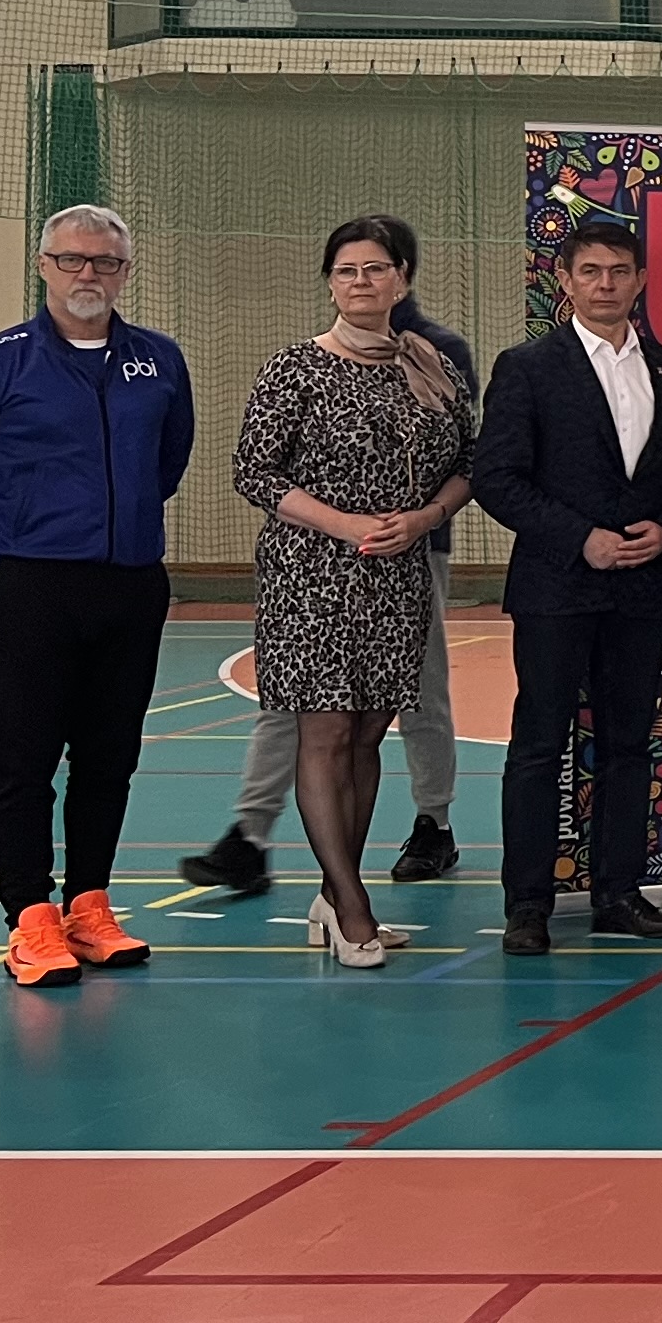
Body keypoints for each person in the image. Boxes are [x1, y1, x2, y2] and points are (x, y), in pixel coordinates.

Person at [0, 205, 195, 989]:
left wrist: (119, 524)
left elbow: (168, 461)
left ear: (124, 273)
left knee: (110, 753)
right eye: (72, 259)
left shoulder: (158, 360)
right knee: (25, 755)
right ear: (44, 265)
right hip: (33, 584)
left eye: (105, 262)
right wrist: (17, 532)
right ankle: (30, 916)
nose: (88, 274)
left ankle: (89, 904)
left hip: (132, 582)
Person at [177, 216, 473, 898]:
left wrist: (425, 518)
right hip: (311, 575)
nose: (361, 281)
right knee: (318, 725)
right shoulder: (295, 367)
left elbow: (471, 461)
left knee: (376, 726)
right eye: (346, 270)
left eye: (375, 268)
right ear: (330, 283)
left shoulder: (435, 364)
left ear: (402, 278)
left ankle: (409, 840)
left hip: (401, 571)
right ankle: (331, 889)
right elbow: (255, 471)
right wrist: (346, 526)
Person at [470, 214, 662, 953]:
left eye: (619, 272)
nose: (606, 285)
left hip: (640, 589)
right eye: (591, 272)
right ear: (565, 282)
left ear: (641, 281)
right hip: (555, 588)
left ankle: (618, 894)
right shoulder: (527, 368)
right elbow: (496, 479)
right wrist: (582, 539)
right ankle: (528, 905)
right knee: (539, 745)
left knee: (629, 745)